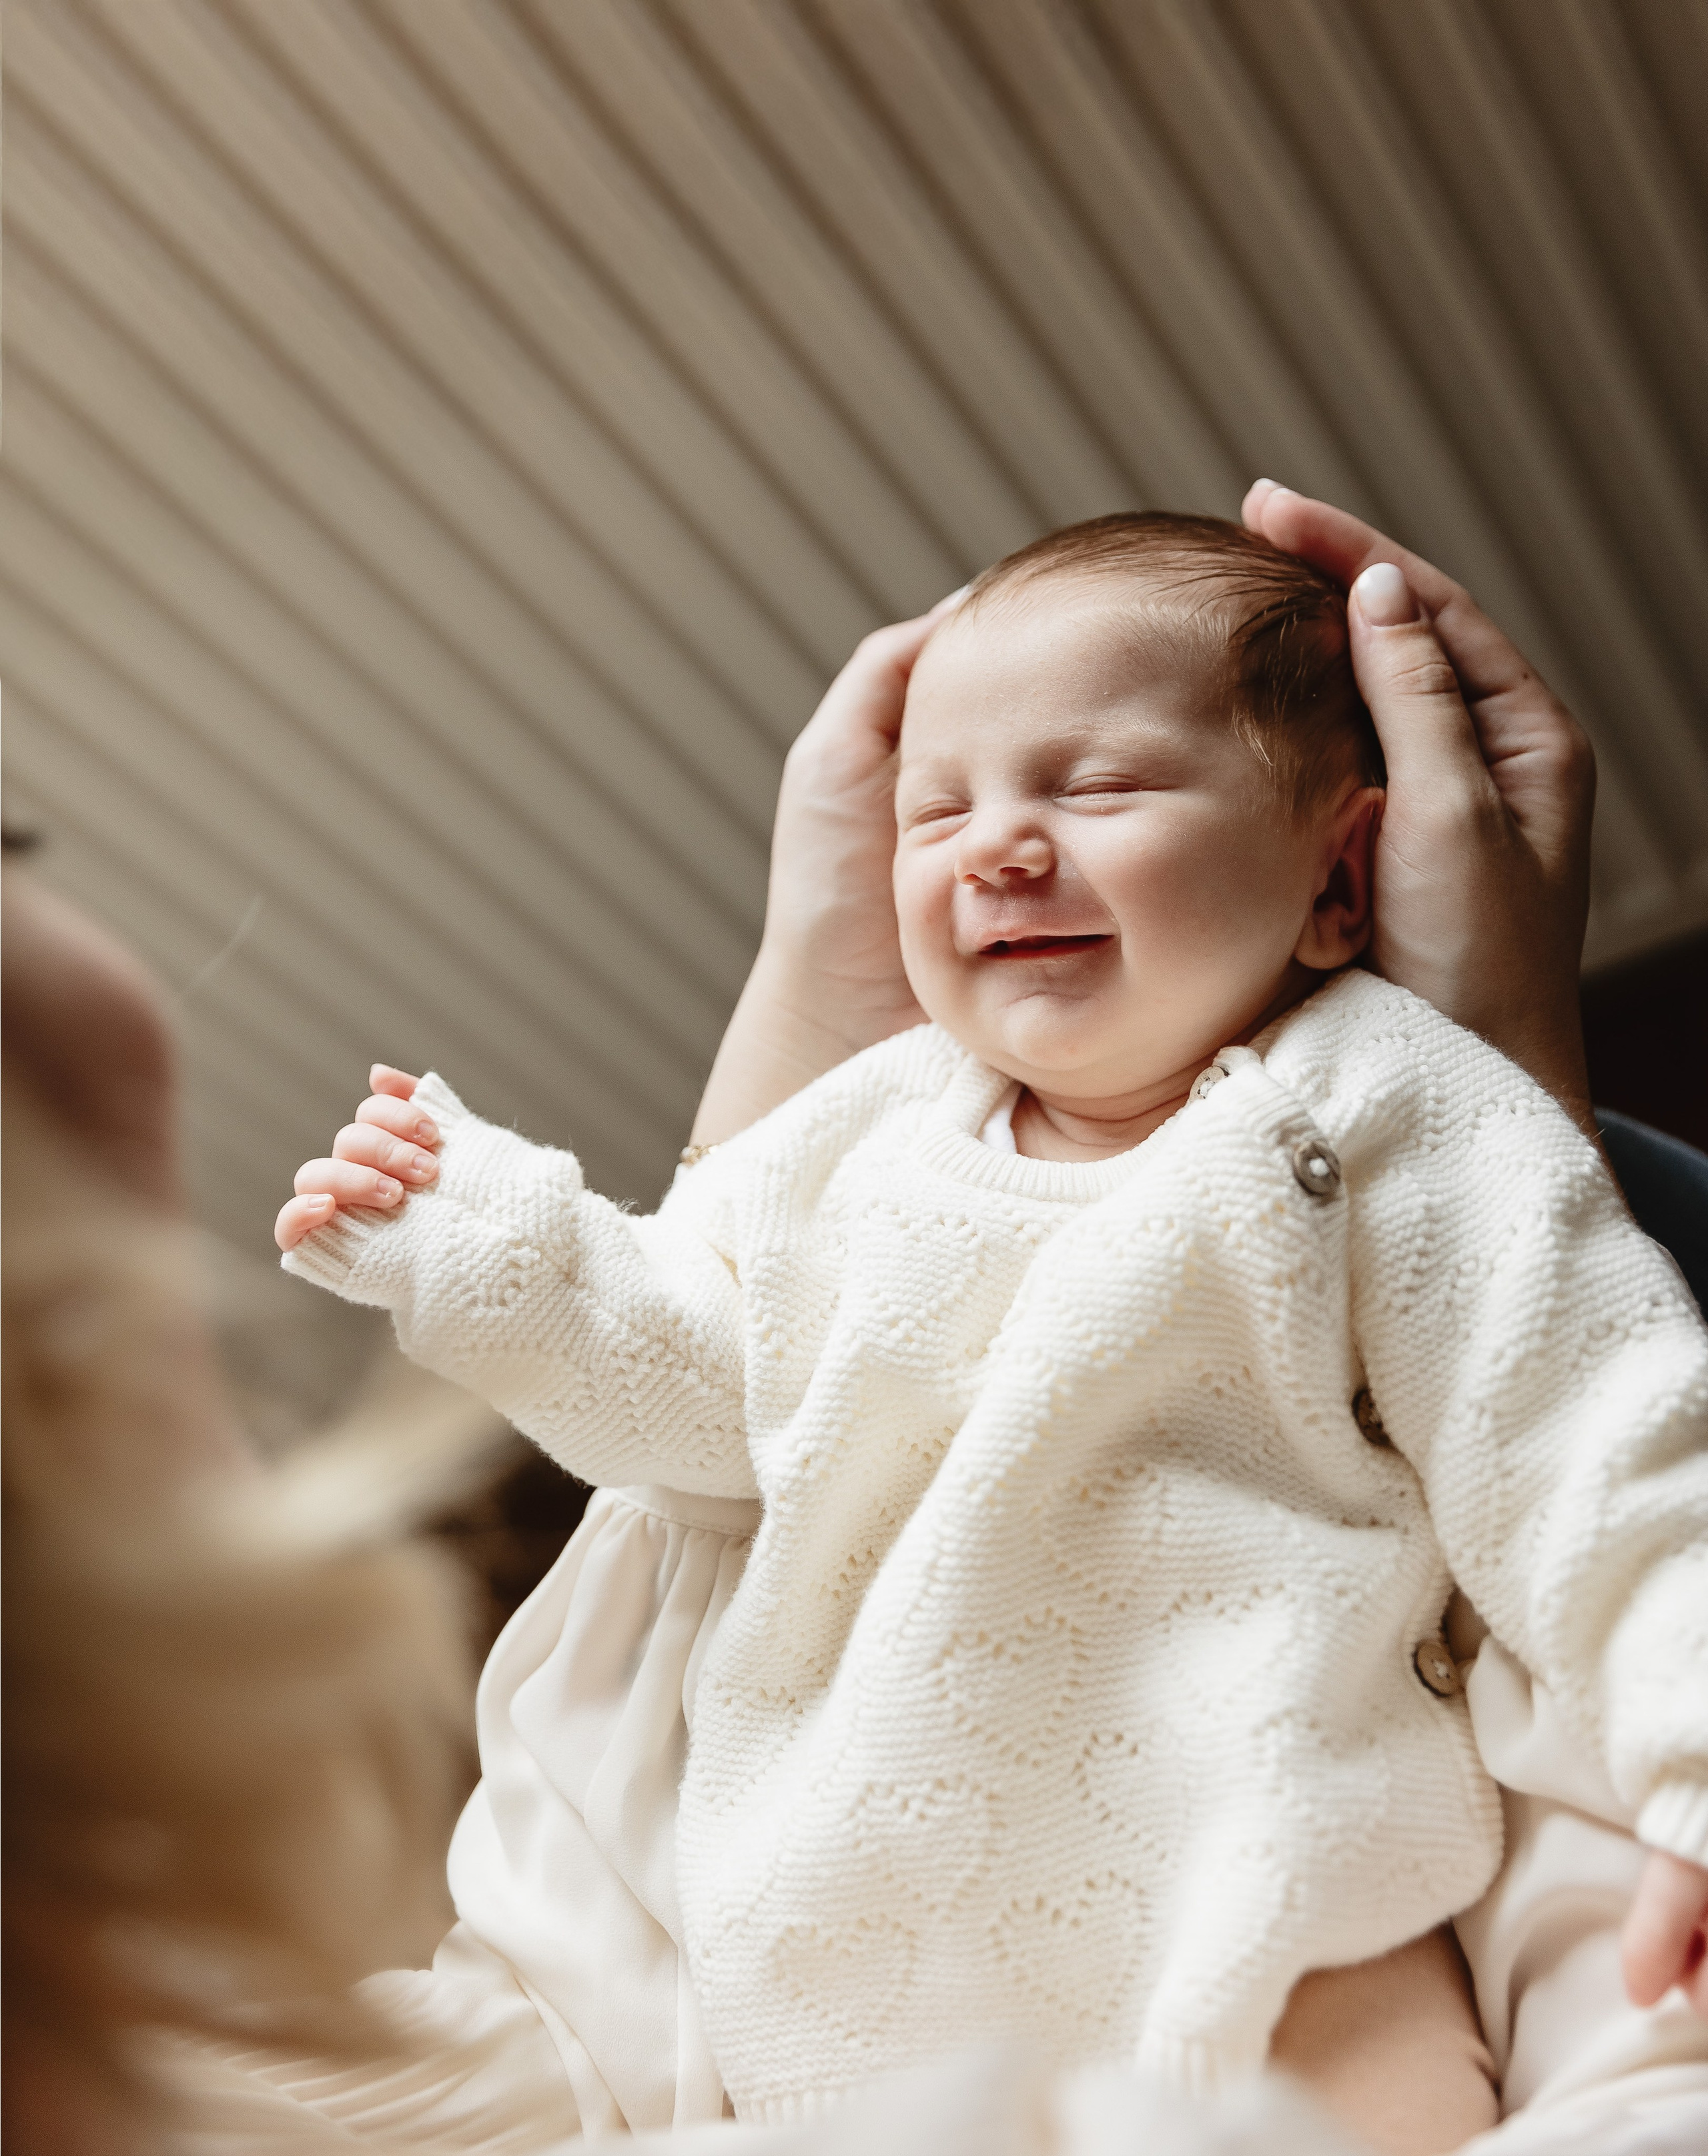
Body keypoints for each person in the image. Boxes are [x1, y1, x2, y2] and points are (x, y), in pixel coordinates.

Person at [276, 492, 1708, 2152]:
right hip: (860, 1914)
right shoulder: (864, 1130)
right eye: (932, 810)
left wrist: (1685, 1766)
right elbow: (700, 1406)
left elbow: (1594, 1440)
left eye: (1096, 785)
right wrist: (495, 1250)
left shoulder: (1397, 1109)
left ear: (1336, 880)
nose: (996, 847)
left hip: (1273, 1883)